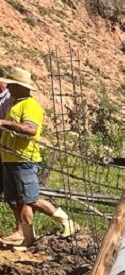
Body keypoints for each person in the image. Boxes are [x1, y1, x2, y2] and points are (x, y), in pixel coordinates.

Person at [0, 67, 74, 247]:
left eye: (12, 85)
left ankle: (66, 221)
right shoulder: (16, 104)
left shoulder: (30, 106)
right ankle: (27, 238)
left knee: (30, 200)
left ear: (20, 87)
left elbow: (30, 129)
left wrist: (4, 123)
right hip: (11, 158)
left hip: (24, 159)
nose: (8, 88)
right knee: (19, 200)